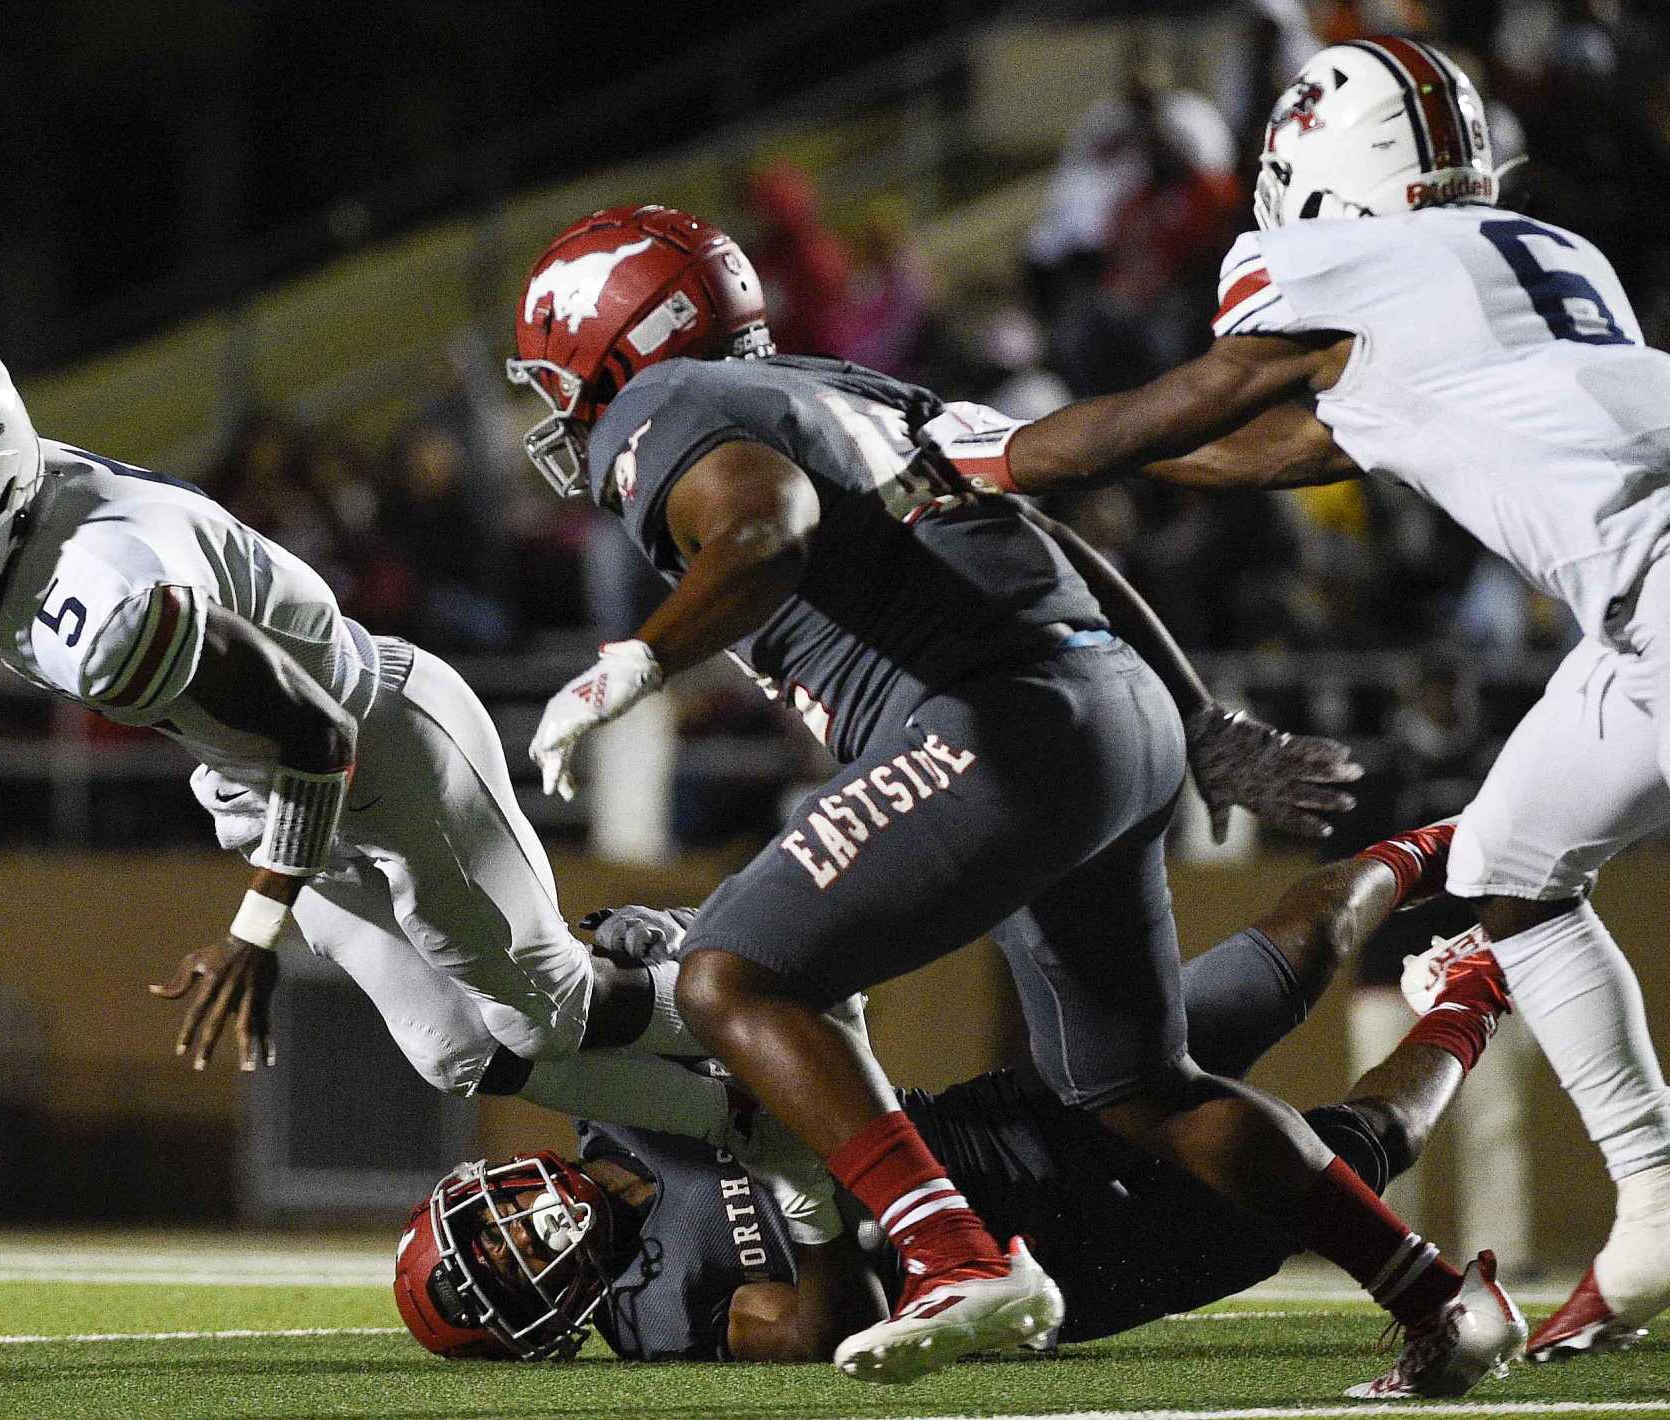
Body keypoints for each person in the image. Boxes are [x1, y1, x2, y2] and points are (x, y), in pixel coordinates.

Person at [503, 203, 1517, 1396]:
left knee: (730, 973)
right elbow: (1050, 523)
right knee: (1138, 1091)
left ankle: (947, 1253)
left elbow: (762, 530)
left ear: (620, 339)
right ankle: (1436, 1299)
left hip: (1001, 726)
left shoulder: (664, 408)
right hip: (1102, 706)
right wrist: (1189, 719)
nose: (557, 401)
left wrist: (639, 658)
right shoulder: (842, 389)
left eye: (558, 367)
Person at [974, 36, 1670, 1363]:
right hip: (1640, 608)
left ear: (1319, 173)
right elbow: (1303, 437)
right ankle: (1656, 1205)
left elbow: (1211, 395)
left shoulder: (1317, 264)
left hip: (1658, 596)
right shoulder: (1550, 254)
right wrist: (1118, 457)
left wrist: (1003, 452)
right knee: (1516, 863)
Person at [0, 337, 783, 1165]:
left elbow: (315, 737)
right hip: (259, 775)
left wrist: (251, 929)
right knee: (457, 1047)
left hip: (378, 745)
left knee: (546, 1011)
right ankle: (741, 1127)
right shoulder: (14, 502)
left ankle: (775, 986)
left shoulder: (110, 605)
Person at [394, 821, 1518, 1367]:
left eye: (481, 1235)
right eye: (500, 1277)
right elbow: (816, 1327)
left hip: (1007, 1119)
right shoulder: (644, 1316)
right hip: (1078, 1262)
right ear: (528, 1329)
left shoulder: (610, 1100)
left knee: (1250, 982)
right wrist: (804, 1203)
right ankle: (1471, 994)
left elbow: (720, 988)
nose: (515, 1242)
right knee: (1353, 1149)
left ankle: (1444, 842)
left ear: (477, 1184)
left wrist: (644, 930)